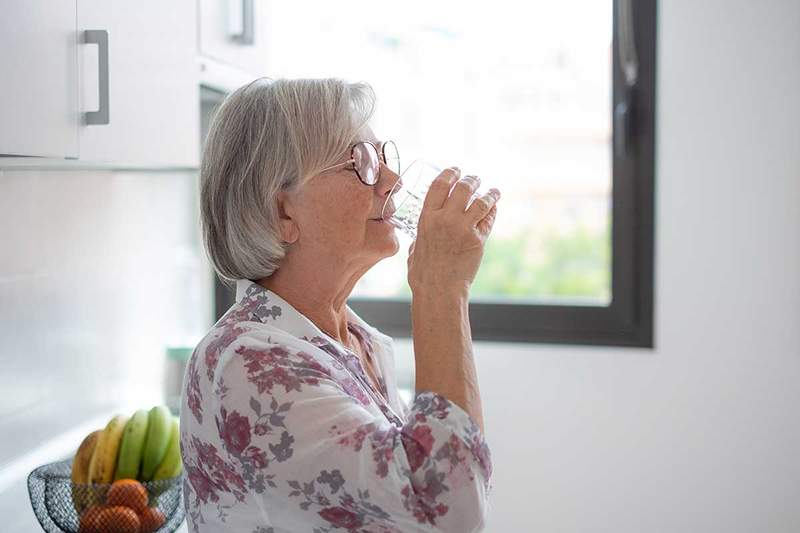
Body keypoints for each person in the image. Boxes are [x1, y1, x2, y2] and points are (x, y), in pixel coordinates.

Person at [181, 77, 501, 532]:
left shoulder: (357, 341)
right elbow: (450, 511)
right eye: (362, 163)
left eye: (383, 157)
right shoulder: (250, 364)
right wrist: (441, 287)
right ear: (284, 213)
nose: (391, 181)